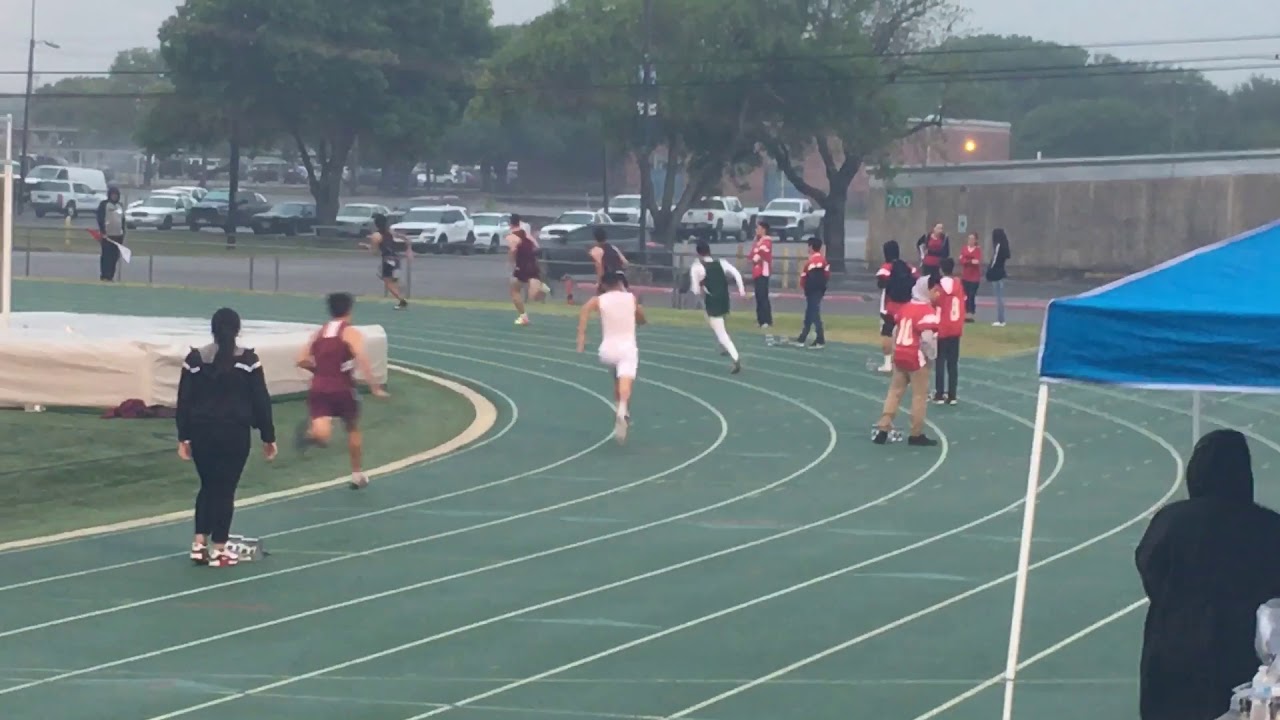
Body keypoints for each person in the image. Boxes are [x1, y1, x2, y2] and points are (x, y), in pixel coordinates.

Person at [1136, 430, 1280, 720]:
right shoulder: (1267, 526)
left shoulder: (1171, 521)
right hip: (1241, 654)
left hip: (1173, 648)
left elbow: (1149, 566)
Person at [176, 307, 277, 568]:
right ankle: (220, 547)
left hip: (201, 432)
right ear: (238, 330)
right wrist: (268, 436)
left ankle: (199, 544)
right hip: (234, 432)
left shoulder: (195, 359)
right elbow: (260, 400)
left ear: (213, 329)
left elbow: (184, 401)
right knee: (225, 489)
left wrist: (183, 436)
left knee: (208, 486)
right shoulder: (248, 361)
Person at [295, 292, 389, 489]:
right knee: (353, 428)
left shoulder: (319, 333)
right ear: (349, 310)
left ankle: (312, 435)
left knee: (323, 435)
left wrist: (319, 370)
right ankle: (356, 474)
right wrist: (375, 387)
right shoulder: (350, 332)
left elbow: (301, 359)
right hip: (343, 389)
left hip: (319, 387)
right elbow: (361, 357)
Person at [576, 271, 647, 444]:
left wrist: (581, 339)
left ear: (604, 285)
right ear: (620, 283)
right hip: (627, 348)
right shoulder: (631, 298)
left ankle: (620, 407)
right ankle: (622, 408)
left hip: (607, 350)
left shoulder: (598, 300)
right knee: (625, 380)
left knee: (616, 373)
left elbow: (584, 311)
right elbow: (642, 319)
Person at [873, 276, 939, 447]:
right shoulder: (927, 312)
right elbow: (926, 338)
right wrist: (931, 356)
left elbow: (896, 331)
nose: (937, 293)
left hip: (901, 353)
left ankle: (883, 426)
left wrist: (897, 350)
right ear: (927, 290)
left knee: (894, 391)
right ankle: (916, 434)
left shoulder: (905, 308)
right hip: (916, 356)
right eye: (935, 290)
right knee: (919, 395)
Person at [688, 240, 746, 374]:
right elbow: (736, 274)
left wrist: (701, 288)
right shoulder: (721, 263)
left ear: (698, 253)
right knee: (718, 321)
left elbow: (695, 290)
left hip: (712, 301)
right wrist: (741, 291)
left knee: (721, 333)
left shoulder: (696, 267)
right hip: (724, 299)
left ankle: (735, 358)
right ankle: (726, 347)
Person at [874, 240, 919, 373]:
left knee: (887, 333)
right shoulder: (909, 267)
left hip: (889, 306)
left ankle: (888, 363)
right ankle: (907, 363)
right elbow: (917, 279)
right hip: (907, 306)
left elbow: (881, 283)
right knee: (906, 335)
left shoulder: (886, 267)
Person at [932, 257, 966, 405]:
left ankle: (939, 394)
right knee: (953, 363)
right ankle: (952, 395)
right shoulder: (959, 285)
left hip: (942, 328)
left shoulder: (938, 288)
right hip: (956, 327)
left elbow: (934, 304)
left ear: (941, 269)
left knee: (940, 361)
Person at [365, 213, 410, 310]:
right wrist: (408, 249)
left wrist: (367, 247)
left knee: (388, 282)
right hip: (396, 259)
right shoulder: (390, 232)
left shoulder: (376, 236)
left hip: (388, 260)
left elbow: (375, 252)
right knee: (393, 280)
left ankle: (402, 300)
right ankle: (402, 297)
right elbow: (405, 238)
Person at [507, 214, 545, 325]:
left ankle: (523, 317)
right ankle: (543, 288)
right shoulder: (527, 234)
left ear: (510, 223)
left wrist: (511, 262)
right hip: (531, 263)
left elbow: (513, 250)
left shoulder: (512, 235)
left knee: (515, 291)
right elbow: (537, 247)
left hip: (522, 265)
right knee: (520, 287)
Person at [794, 235, 830, 349]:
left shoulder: (813, 261)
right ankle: (802, 337)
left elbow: (807, 277)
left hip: (813, 290)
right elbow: (826, 275)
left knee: (814, 314)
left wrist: (805, 287)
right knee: (809, 314)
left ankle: (820, 339)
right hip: (817, 290)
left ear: (811, 247)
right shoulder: (822, 260)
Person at [749, 221, 774, 344]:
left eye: (758, 228)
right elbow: (752, 254)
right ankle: (760, 319)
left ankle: (766, 320)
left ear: (763, 229)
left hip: (763, 272)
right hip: (756, 272)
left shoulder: (767, 241)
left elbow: (762, 253)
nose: (756, 230)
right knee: (759, 296)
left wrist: (756, 255)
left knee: (763, 296)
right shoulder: (757, 242)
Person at [95, 187, 126, 282]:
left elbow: (122, 220)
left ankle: (111, 276)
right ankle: (104, 275)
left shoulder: (120, 206)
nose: (114, 196)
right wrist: (103, 232)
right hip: (107, 235)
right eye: (113, 195)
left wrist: (123, 232)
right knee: (106, 256)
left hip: (118, 236)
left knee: (114, 257)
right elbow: (100, 218)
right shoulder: (104, 205)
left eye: (116, 195)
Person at [589, 227, 629, 292]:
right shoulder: (613, 247)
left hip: (608, 278)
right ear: (606, 237)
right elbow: (625, 262)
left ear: (595, 238)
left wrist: (599, 283)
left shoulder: (595, 250)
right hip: (620, 275)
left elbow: (599, 267)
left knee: (604, 299)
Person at [988, 227, 1012, 327]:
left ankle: (1001, 320)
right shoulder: (1005, 246)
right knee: (1000, 298)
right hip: (1001, 272)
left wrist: (989, 270)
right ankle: (1001, 319)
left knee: (999, 298)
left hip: (996, 274)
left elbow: (994, 260)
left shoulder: (998, 246)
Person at [958, 232, 982, 322]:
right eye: (969, 239)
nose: (970, 241)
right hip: (965, 277)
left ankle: (971, 314)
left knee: (972, 295)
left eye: (972, 239)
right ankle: (964, 313)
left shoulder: (977, 250)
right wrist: (970, 261)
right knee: (965, 296)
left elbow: (977, 261)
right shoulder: (964, 249)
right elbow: (961, 260)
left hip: (974, 278)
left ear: (975, 240)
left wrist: (967, 260)